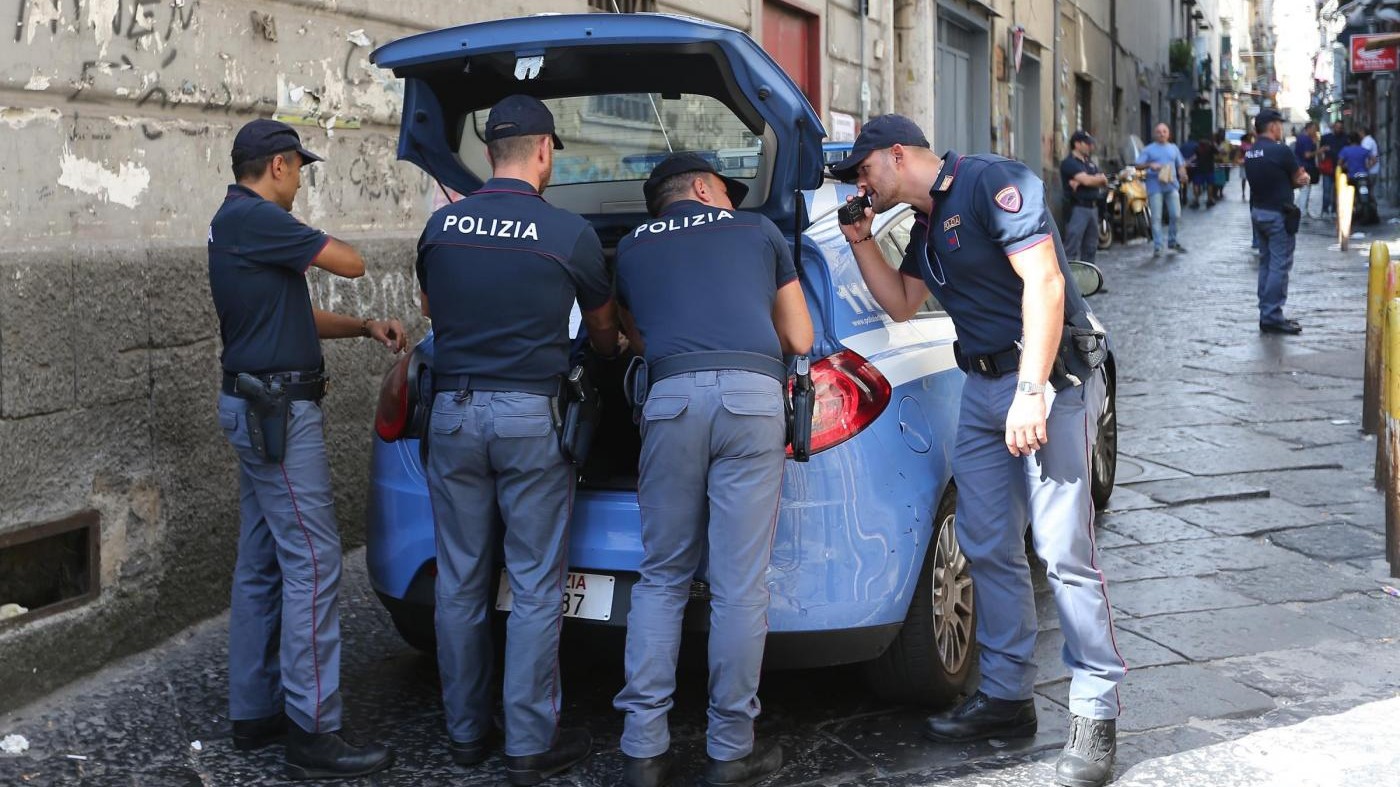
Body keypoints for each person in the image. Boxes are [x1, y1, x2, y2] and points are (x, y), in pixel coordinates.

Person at [829, 115, 1126, 787]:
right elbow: (904, 304)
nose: (861, 185)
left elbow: (1046, 285)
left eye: (864, 171)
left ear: (896, 154)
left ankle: (1093, 712)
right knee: (987, 542)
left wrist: (1030, 391)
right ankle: (1006, 697)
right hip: (983, 387)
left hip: (1048, 383)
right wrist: (859, 243)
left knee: (1062, 550)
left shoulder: (995, 182)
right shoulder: (925, 227)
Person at [415, 95, 622, 785]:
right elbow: (601, 332)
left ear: (489, 155)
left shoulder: (440, 228)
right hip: (530, 417)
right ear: (542, 151)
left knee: (461, 579)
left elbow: (429, 311)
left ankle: (465, 731)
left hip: (451, 413)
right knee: (535, 583)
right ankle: (529, 742)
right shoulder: (566, 234)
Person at [209, 118, 404, 780]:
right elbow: (352, 261)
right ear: (281, 166)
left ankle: (256, 710)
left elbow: (294, 313)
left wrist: (362, 326)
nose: (301, 184)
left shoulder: (239, 226)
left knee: (262, 560)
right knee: (316, 562)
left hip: (257, 403)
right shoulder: (257, 219)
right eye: (300, 171)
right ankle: (314, 728)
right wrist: (339, 257)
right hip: (279, 415)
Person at [612, 153, 814, 787]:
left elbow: (635, 336)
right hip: (752, 400)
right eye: (726, 190)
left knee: (662, 578)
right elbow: (802, 338)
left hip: (670, 398)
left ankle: (643, 749)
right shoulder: (758, 232)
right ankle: (731, 751)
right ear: (704, 188)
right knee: (737, 587)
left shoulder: (631, 247)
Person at [1245, 108, 1310, 335]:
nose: (1281, 128)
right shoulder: (1280, 151)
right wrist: (1303, 179)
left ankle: (1266, 312)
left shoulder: (1251, 153)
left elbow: (1272, 180)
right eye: (1279, 124)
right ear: (1272, 126)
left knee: (1266, 264)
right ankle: (1272, 315)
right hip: (1277, 215)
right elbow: (1298, 177)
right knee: (1279, 266)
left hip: (1258, 213)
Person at [1136, 123, 1189, 256]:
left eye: (1164, 131)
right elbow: (1137, 165)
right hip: (1155, 187)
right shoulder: (1149, 149)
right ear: (1155, 134)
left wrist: (1183, 174)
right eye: (1159, 132)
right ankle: (1158, 246)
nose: (1162, 134)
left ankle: (1172, 241)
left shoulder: (1173, 148)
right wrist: (1150, 165)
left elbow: (1180, 164)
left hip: (1172, 186)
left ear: (1168, 133)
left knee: (1176, 215)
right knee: (1156, 218)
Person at [1060, 130, 1107, 263]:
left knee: (1091, 249)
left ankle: (1089, 282)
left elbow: (1104, 180)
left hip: (1093, 208)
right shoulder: (1069, 163)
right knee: (1071, 248)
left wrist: (1086, 180)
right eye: (1086, 143)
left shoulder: (1089, 163)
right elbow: (1088, 181)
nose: (1089, 146)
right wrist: (1091, 179)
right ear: (1077, 144)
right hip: (1077, 208)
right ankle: (1069, 282)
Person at [1318, 121, 1345, 217]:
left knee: (1337, 190)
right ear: (1333, 127)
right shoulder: (1325, 138)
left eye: (1340, 127)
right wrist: (1320, 163)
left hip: (1340, 168)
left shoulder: (1345, 138)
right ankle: (1325, 210)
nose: (1338, 129)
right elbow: (1320, 152)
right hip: (1328, 168)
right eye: (1337, 127)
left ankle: (1334, 209)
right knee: (1327, 190)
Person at [1293, 122, 1319, 218]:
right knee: (1305, 189)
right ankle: (1302, 210)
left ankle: (1302, 209)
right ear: (1309, 129)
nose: (1315, 131)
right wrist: (1319, 151)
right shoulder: (1306, 139)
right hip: (1306, 167)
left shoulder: (1302, 138)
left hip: (1301, 166)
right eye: (1314, 129)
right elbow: (1307, 155)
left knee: (1304, 189)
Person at [1191, 134, 1216, 208]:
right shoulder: (1211, 147)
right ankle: (1209, 199)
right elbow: (1218, 152)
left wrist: (1189, 161)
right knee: (1210, 184)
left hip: (1199, 168)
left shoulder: (1197, 148)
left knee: (1196, 184)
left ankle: (1196, 200)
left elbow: (1195, 156)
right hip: (1209, 168)